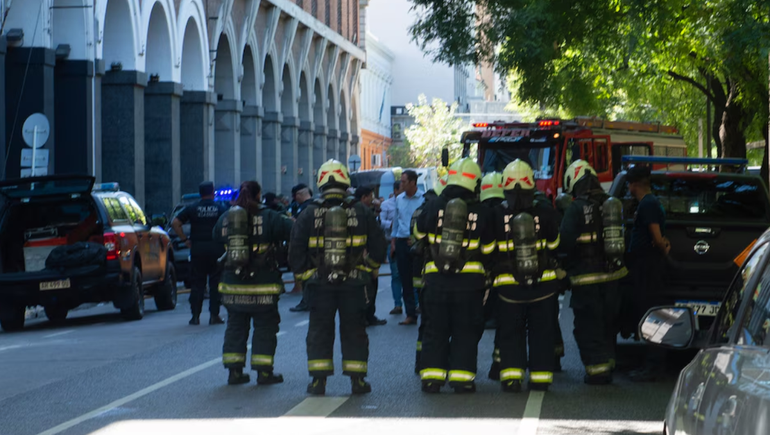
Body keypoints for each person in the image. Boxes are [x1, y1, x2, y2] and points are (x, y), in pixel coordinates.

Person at [289, 159, 387, 395]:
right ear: (345, 180)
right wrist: (368, 269)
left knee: (319, 331)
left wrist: (307, 276)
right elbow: (379, 246)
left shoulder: (309, 212)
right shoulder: (362, 210)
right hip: (354, 284)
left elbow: (295, 250)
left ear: (321, 181)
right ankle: (358, 381)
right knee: (354, 331)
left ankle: (318, 382)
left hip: (320, 284)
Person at [415, 158, 496, 393]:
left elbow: (418, 234)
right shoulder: (482, 210)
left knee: (435, 329)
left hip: (436, 280)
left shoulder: (432, 205)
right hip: (469, 285)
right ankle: (462, 379)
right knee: (465, 330)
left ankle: (431, 378)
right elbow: (490, 249)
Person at [213, 181, 293, 385]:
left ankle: (234, 372)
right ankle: (264, 373)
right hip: (263, 284)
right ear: (259, 195)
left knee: (236, 328)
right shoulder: (270, 216)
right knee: (265, 328)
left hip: (233, 285)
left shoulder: (227, 217)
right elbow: (292, 231)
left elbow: (216, 236)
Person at [493, 159, 561, 392]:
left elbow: (487, 250)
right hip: (543, 288)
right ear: (532, 185)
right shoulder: (546, 211)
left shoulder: (496, 214)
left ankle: (511, 378)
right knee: (542, 333)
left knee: (511, 334)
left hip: (508, 289)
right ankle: (541, 380)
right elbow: (555, 244)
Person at [559, 160, 629, 385]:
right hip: (615, 277)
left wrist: (563, 268)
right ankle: (608, 363)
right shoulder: (611, 204)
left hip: (586, 279)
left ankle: (598, 371)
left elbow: (565, 243)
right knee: (608, 323)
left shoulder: (576, 208)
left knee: (588, 326)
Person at [625, 164, 670, 382]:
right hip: (647, 265)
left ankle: (654, 364)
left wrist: (663, 247)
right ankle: (652, 362)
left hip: (647, 266)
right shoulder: (648, 203)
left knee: (651, 313)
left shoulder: (648, 204)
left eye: (629, 184)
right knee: (649, 311)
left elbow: (656, 237)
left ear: (634, 184)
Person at [171, 181, 228, 325]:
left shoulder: (193, 208)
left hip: (197, 249)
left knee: (197, 283)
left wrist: (185, 239)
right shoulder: (220, 208)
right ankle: (214, 315)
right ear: (213, 192)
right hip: (216, 249)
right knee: (215, 283)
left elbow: (175, 223)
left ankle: (195, 316)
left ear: (200, 193)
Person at [412, 175, 446, 374]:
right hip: (445, 275)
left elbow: (415, 239)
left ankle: (421, 362)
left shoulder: (421, 211)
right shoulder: (450, 210)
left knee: (427, 323)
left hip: (426, 272)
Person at [478, 172, 505, 380]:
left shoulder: (482, 213)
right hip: (507, 277)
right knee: (506, 325)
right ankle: (498, 366)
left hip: (484, 277)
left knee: (473, 322)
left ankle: (461, 363)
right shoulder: (508, 211)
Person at [391, 170, 425, 325]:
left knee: (421, 280)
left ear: (413, 182)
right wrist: (393, 242)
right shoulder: (399, 199)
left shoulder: (424, 199)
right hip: (402, 242)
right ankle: (410, 314)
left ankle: (425, 311)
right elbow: (396, 222)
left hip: (418, 244)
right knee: (405, 280)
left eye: (404, 181)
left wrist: (418, 239)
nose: (401, 184)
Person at [354, 186, 387, 327]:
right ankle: (367, 317)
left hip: (359, 258)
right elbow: (374, 236)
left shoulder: (355, 211)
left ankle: (367, 316)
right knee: (369, 288)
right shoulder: (363, 212)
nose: (372, 200)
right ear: (363, 197)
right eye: (370, 197)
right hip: (365, 258)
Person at [290, 184, 315, 312]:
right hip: (314, 247)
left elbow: (299, 226)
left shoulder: (305, 208)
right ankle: (308, 300)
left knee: (306, 276)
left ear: (299, 195)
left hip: (306, 246)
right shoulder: (314, 206)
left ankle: (306, 301)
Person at [380, 182, 404, 314]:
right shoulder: (386, 204)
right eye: (401, 187)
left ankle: (415, 304)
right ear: (395, 190)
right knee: (396, 274)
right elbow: (381, 221)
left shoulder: (409, 201)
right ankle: (397, 304)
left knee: (410, 274)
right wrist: (392, 224)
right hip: (391, 242)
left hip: (407, 241)